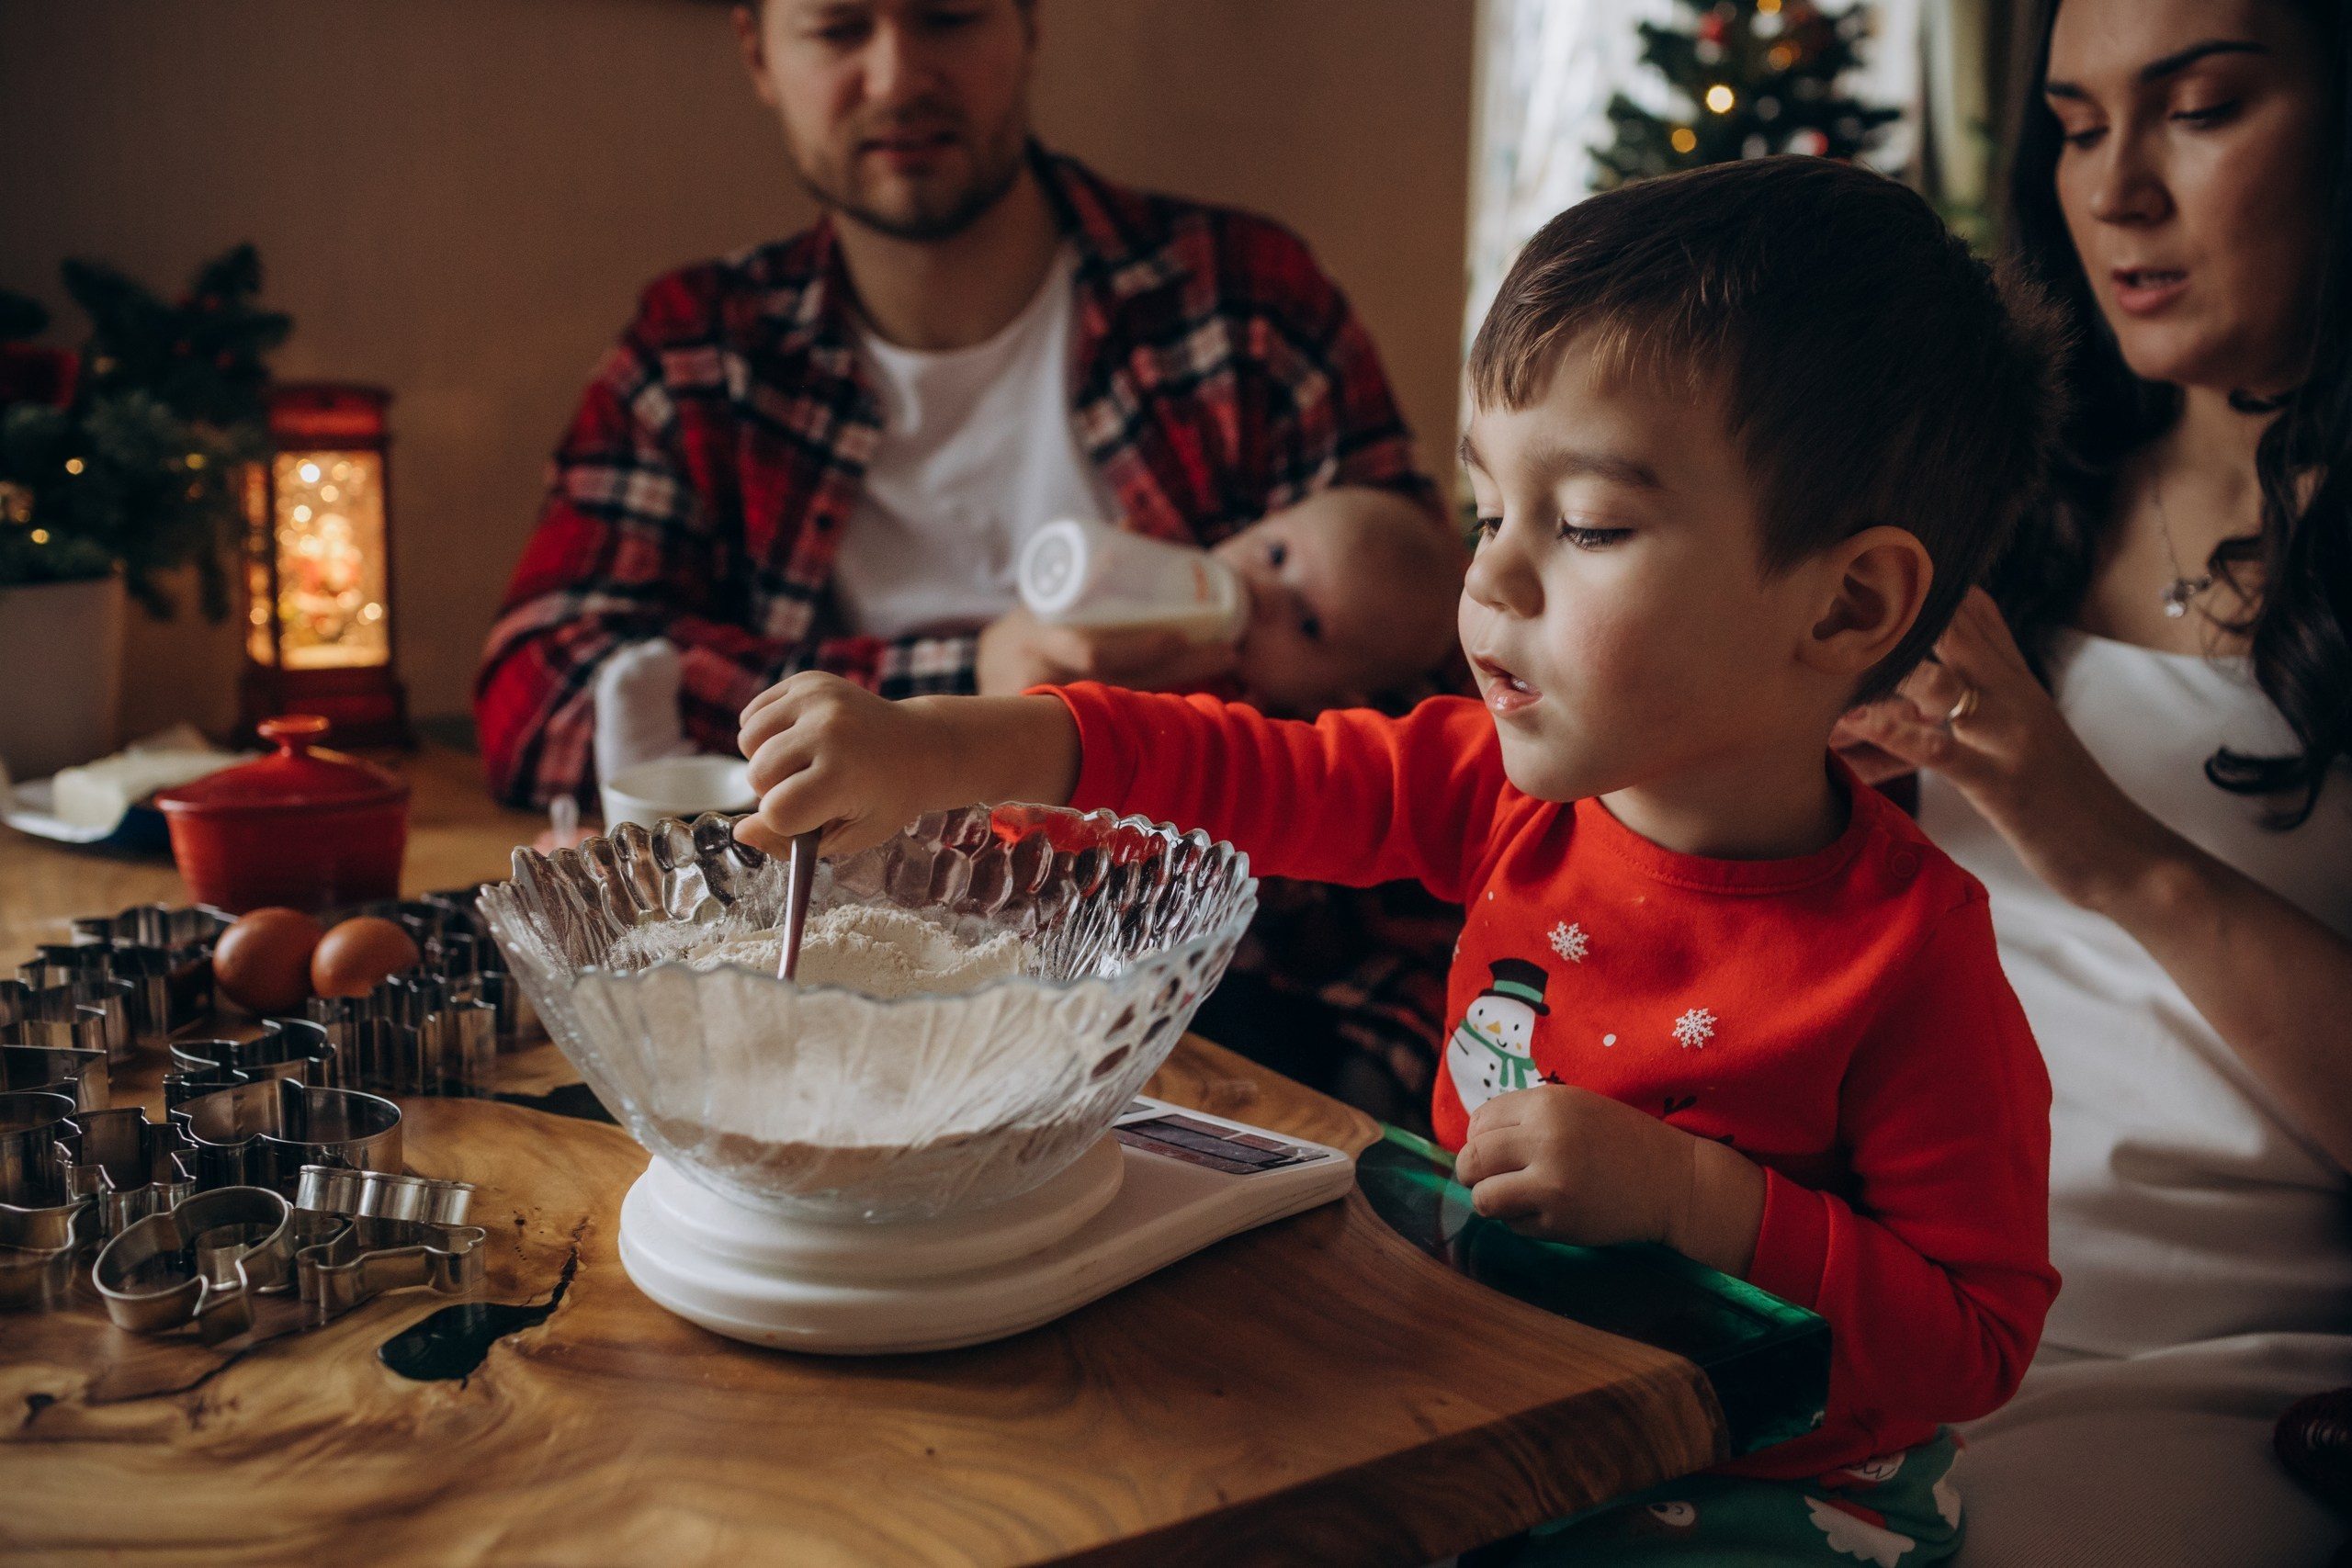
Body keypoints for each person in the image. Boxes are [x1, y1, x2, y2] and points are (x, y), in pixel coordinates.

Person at [729, 157, 2068, 1564]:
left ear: (1850, 601)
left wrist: (1700, 1200)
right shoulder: (1501, 790)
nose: (1489, 580)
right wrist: (954, 747)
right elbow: (1243, 770)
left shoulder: (1914, 952)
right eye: (1489, 508)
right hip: (1486, 1389)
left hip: (1768, 1485)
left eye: (1591, 525)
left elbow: (1973, 1344)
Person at [471, 0, 1464, 1115]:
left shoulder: (1242, 306)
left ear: (1028, 27)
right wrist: (968, 682)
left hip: (1224, 1016)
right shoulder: (702, 354)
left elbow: (1437, 674)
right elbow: (541, 685)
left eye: (947, 16)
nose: (898, 78)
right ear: (759, 51)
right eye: (840, 28)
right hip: (801, 1013)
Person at [1834, 3, 2352, 1563]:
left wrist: (2108, 846)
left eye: (2197, 111)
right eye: (2074, 125)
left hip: (2202, 1364)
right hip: (1874, 1280)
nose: (2116, 188)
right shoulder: (2010, 495)